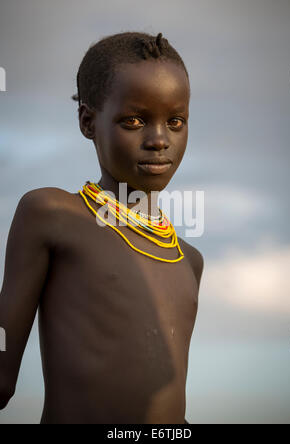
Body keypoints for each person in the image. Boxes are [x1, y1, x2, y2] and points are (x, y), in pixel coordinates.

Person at [0, 31, 204, 424]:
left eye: (175, 121)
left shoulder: (188, 260)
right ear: (88, 121)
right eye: (134, 120)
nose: (159, 140)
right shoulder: (52, 214)